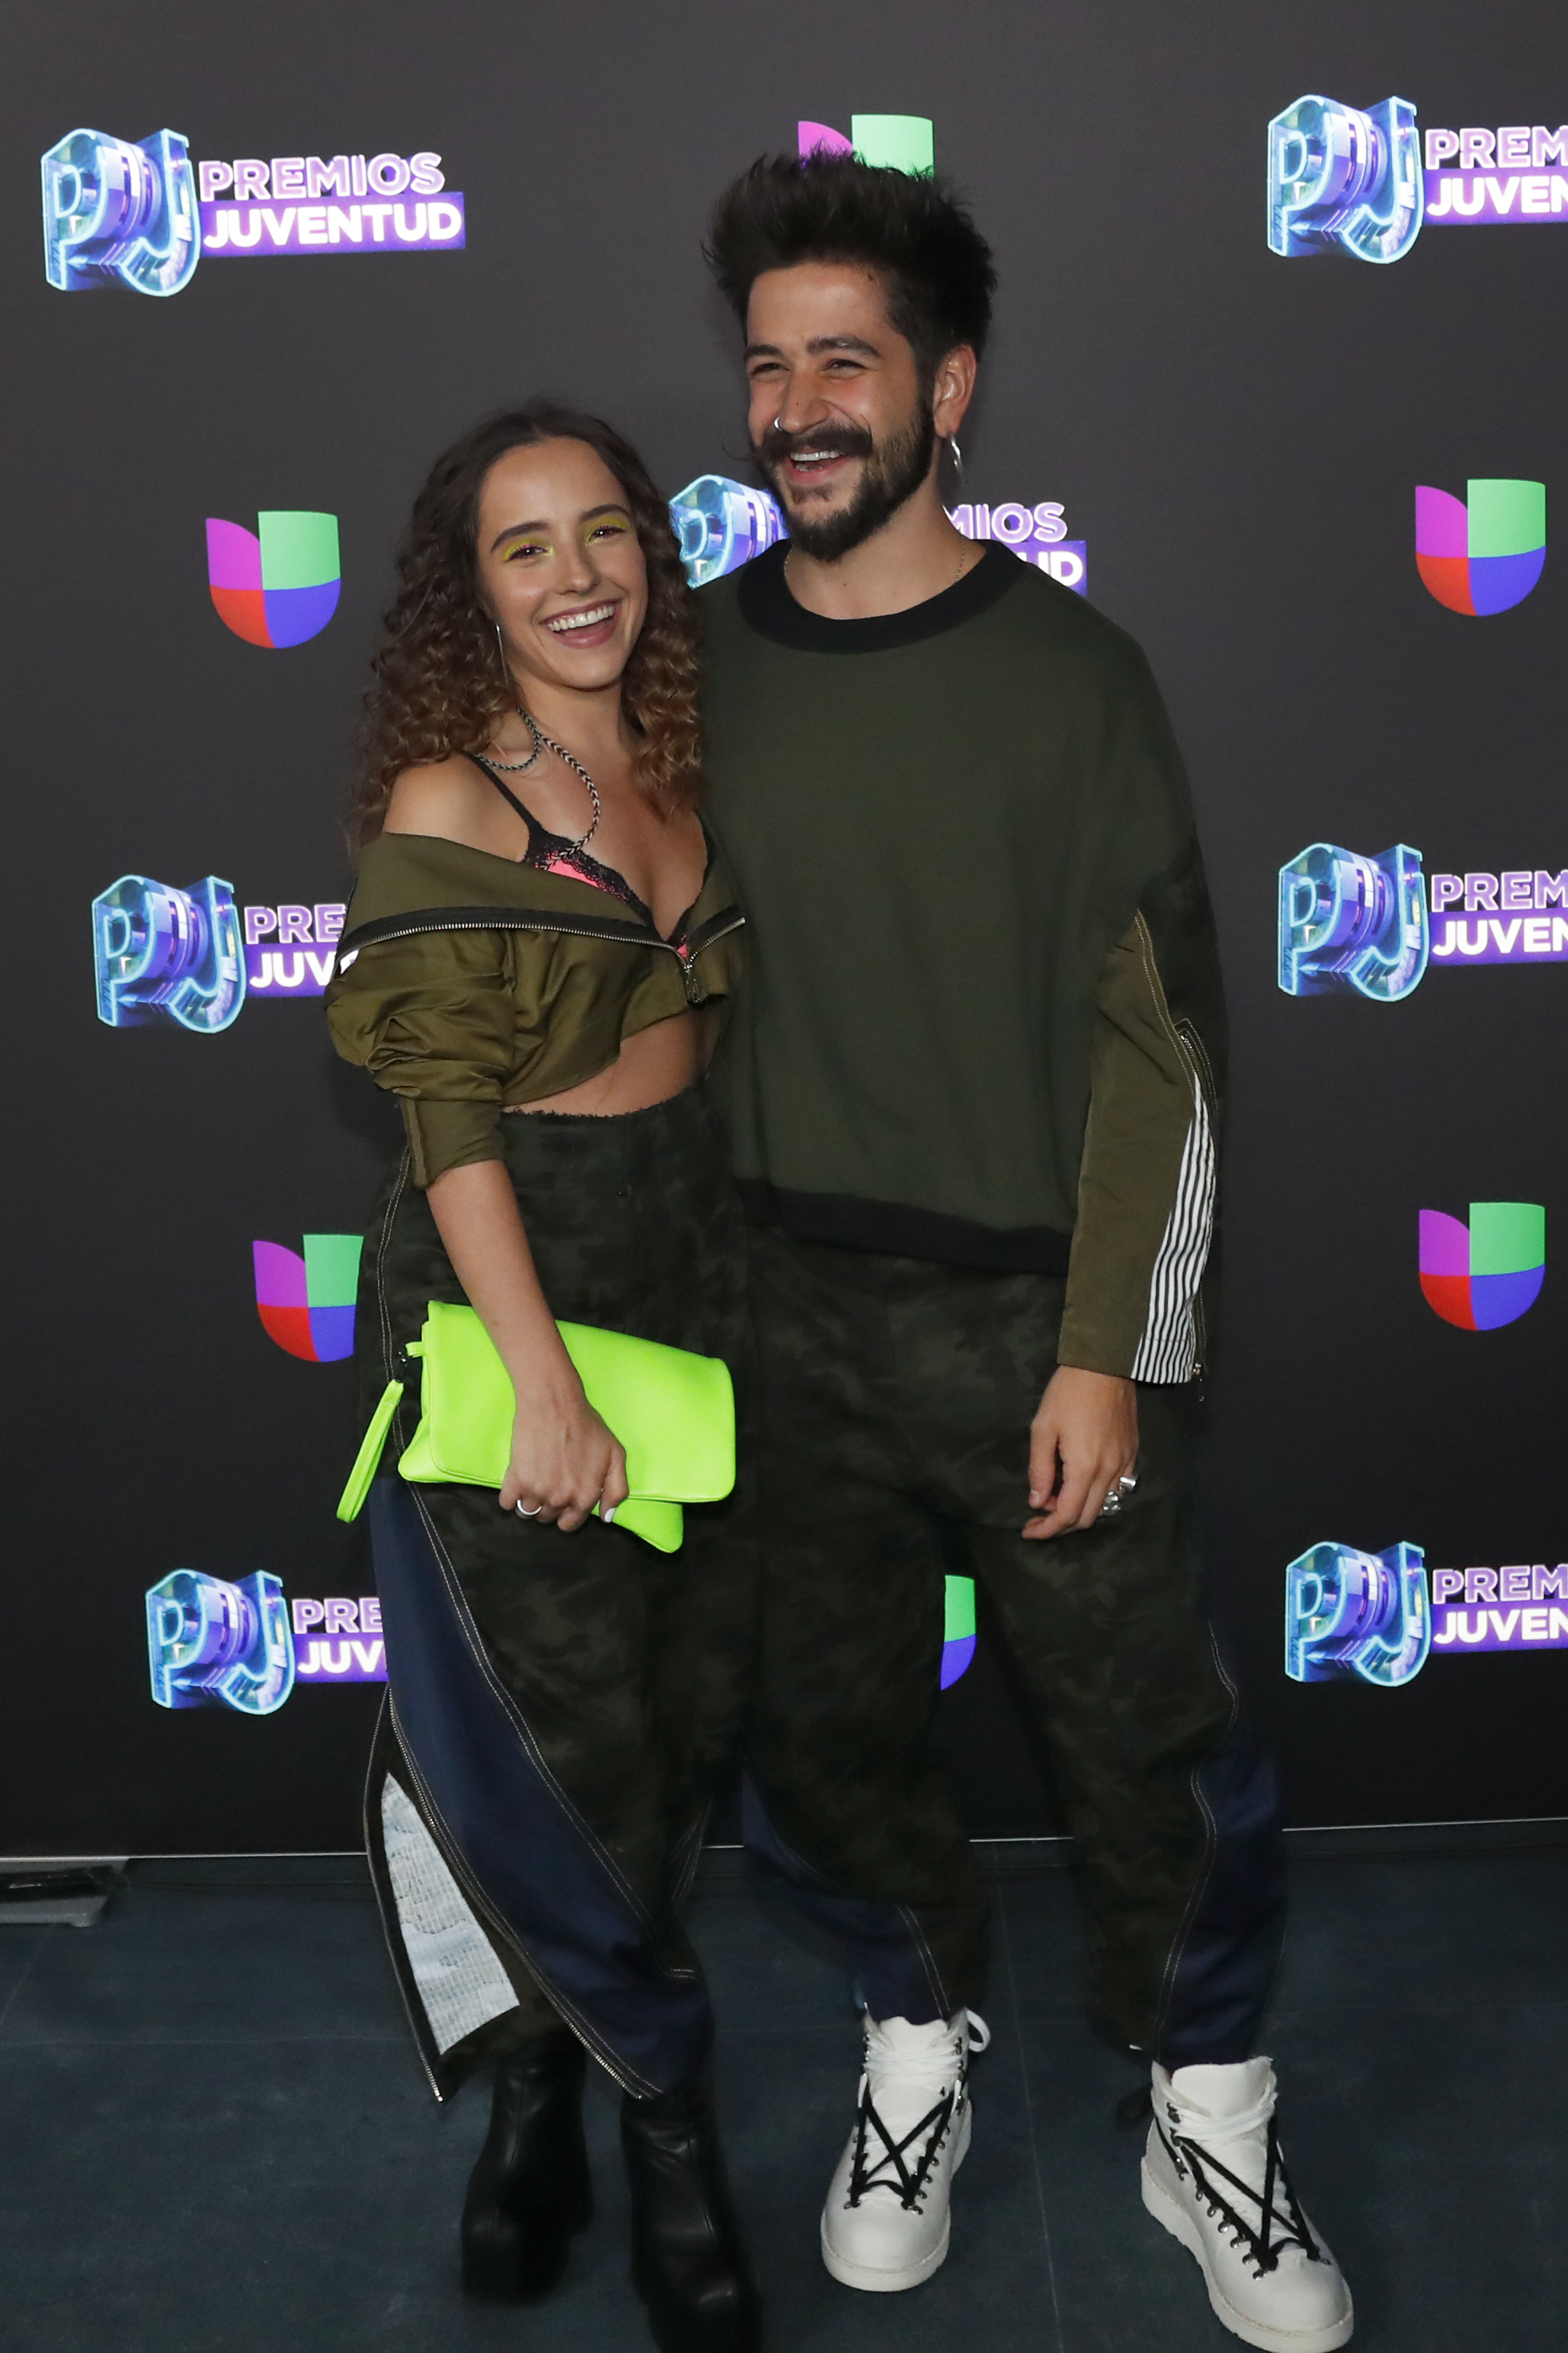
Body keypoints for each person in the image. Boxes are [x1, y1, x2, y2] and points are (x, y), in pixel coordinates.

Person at [697, 154, 1353, 2352]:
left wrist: (1105, 1352)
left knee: (1148, 1740)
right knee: (825, 1731)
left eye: (847, 365)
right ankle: (911, 2033)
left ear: (947, 388)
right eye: (770, 365)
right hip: (778, 1314)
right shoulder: (686, 670)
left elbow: (1160, 1047)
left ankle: (1207, 2098)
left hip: (1033, 1324)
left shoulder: (1078, 675)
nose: (800, 406)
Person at [325, 404, 760, 2353]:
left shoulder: (677, 767)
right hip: (523, 1316)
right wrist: (543, 1385)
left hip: (694, 1288)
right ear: (467, 587)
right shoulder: (449, 797)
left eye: (605, 532)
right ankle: (654, 2125)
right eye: (524, 545)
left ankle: (542, 2087)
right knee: (543, 1752)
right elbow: (449, 1127)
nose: (575, 572)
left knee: (662, 1742)